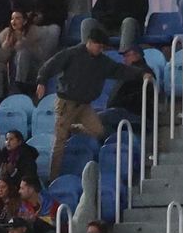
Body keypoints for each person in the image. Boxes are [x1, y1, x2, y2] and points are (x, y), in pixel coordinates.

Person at [34, 26, 143, 181]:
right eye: (99, 46)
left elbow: (119, 70)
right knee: (59, 144)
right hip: (67, 102)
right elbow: (52, 64)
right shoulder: (72, 54)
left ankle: (72, 128)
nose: (101, 50)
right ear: (90, 42)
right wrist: (42, 80)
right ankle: (53, 178)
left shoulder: (102, 62)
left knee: (98, 130)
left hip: (84, 105)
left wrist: (140, 73)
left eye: (103, 48)